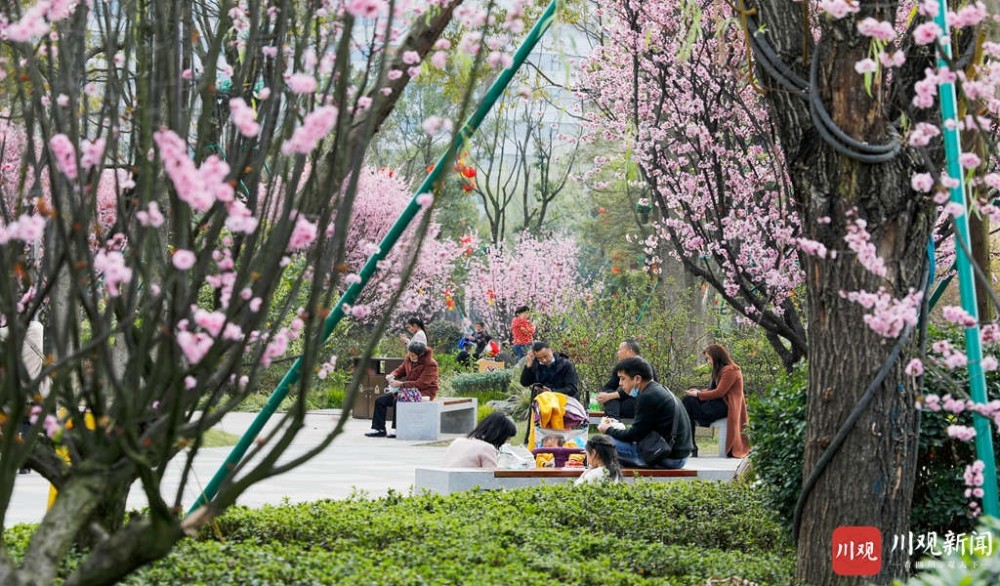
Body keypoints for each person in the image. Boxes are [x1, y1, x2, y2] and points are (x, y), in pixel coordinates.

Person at [598, 356, 693, 469]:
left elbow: (634, 435)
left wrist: (608, 429)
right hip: (676, 454)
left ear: (637, 379)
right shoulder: (657, 390)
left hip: (666, 457)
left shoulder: (647, 396)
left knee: (600, 444)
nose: (620, 383)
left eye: (623, 379)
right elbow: (640, 431)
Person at [683, 344, 750, 458]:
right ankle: (690, 445)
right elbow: (713, 390)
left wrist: (698, 394)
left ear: (716, 356)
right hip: (717, 403)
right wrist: (698, 392)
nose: (708, 361)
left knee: (688, 403)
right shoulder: (720, 370)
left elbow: (720, 392)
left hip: (726, 406)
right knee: (688, 401)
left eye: (708, 358)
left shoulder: (731, 370)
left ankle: (690, 445)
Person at [365, 340, 438, 438]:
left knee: (397, 400)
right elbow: (400, 370)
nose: (411, 356)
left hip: (424, 392)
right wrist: (392, 375)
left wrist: (401, 384)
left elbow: (421, 384)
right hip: (408, 391)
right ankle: (379, 429)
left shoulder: (430, 364)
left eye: (413, 355)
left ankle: (397, 429)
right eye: (410, 353)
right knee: (380, 401)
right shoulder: (408, 359)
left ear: (421, 354)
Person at [594, 339, 657, 419]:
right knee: (608, 394)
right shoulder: (621, 367)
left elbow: (635, 391)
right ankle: (613, 420)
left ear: (629, 351)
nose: (618, 353)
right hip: (625, 401)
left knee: (610, 399)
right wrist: (607, 395)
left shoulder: (643, 366)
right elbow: (609, 387)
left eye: (620, 350)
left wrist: (610, 396)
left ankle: (613, 420)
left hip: (641, 402)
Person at [441, 412, 518, 469]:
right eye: (507, 438)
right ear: (500, 436)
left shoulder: (458, 441)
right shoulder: (487, 448)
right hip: (467, 485)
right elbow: (491, 478)